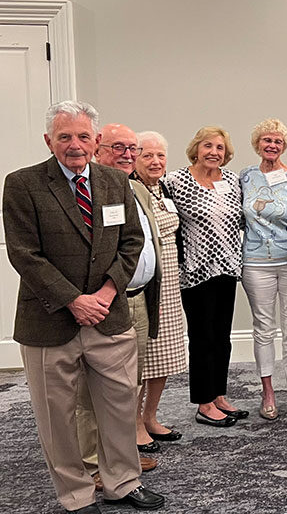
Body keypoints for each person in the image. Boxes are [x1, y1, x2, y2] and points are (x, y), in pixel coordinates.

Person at [2, 100, 165, 512]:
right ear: (48, 141)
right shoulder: (23, 184)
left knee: (119, 405)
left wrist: (107, 294)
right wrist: (74, 300)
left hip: (109, 318)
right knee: (58, 417)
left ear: (95, 141)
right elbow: (24, 253)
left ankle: (122, 483)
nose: (74, 145)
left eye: (82, 137)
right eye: (64, 137)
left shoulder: (114, 181)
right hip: (50, 320)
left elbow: (131, 243)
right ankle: (75, 494)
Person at [78, 123, 162, 489]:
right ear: (98, 149)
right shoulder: (89, 189)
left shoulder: (135, 189)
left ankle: (122, 454)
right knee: (91, 391)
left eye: (133, 148)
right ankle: (93, 464)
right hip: (103, 303)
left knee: (129, 384)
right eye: (118, 148)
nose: (128, 154)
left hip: (138, 297)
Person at [165, 126, 246, 427]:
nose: (214, 152)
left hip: (227, 267)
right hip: (195, 271)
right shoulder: (175, 181)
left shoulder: (232, 180)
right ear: (196, 148)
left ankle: (219, 395)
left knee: (222, 337)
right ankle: (203, 402)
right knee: (202, 338)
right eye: (208, 146)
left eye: (220, 148)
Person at [241, 119, 287, 420]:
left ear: (284, 146)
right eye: (266, 140)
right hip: (256, 263)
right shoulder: (245, 177)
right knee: (263, 328)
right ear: (257, 143)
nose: (271, 146)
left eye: (277, 141)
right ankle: (268, 390)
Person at [133, 131, 188, 445]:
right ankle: (134, 425)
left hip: (170, 282)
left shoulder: (164, 188)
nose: (155, 162)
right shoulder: (131, 188)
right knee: (144, 358)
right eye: (147, 156)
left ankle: (150, 417)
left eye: (160, 156)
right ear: (136, 159)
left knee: (165, 353)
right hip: (146, 282)